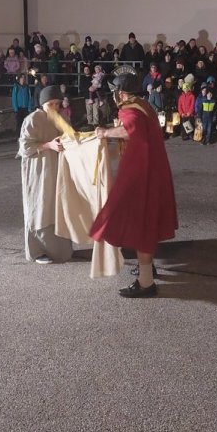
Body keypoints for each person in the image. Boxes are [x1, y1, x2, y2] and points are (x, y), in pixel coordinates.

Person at [90, 73, 178, 298]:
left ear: (121, 93)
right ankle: (146, 268)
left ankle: (146, 283)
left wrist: (104, 132)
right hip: (153, 168)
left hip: (142, 172)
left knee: (139, 222)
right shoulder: (143, 105)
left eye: (114, 92)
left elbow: (131, 129)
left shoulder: (131, 110)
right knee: (146, 221)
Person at [18, 84, 73, 264]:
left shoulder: (61, 118)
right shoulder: (32, 119)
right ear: (43, 103)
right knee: (39, 205)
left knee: (56, 207)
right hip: (39, 170)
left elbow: (71, 137)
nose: (55, 107)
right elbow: (25, 147)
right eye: (51, 104)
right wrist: (49, 145)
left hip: (57, 169)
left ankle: (60, 250)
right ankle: (38, 251)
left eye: (58, 103)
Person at [11, 73, 32, 143]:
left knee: (26, 123)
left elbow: (29, 97)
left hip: (25, 108)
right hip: (19, 108)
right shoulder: (16, 87)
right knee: (19, 123)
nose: (23, 79)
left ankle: (26, 137)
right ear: (19, 79)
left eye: (24, 78)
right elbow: (14, 98)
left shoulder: (27, 87)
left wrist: (29, 107)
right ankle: (19, 137)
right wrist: (16, 108)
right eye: (21, 78)